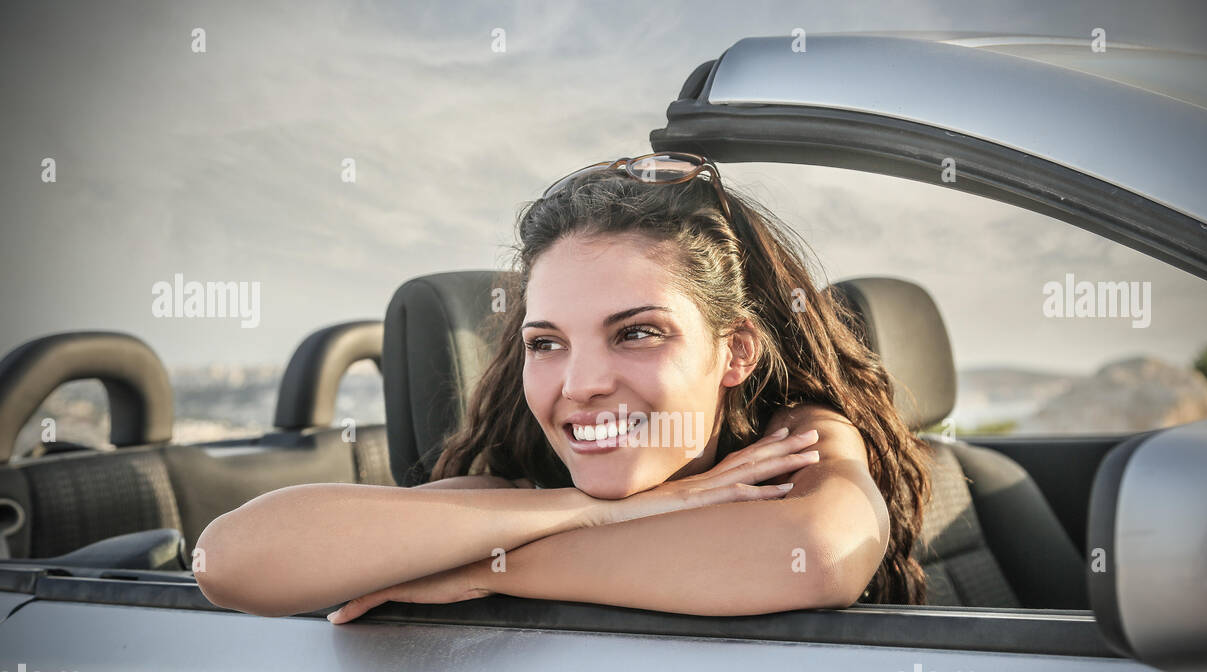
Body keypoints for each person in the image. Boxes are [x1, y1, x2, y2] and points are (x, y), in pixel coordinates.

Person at [194, 153, 932, 620]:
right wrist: (585, 512)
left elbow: (819, 554)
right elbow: (227, 561)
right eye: (547, 343)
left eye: (637, 332)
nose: (580, 385)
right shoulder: (526, 494)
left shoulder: (793, 443)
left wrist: (488, 567)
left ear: (735, 350)